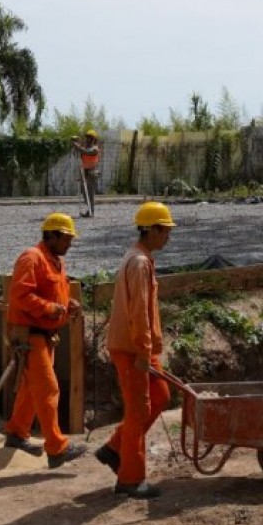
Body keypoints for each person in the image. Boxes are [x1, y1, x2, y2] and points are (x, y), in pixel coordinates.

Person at [94, 201, 175, 499]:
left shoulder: (140, 257)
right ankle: (130, 478)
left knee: (161, 395)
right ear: (151, 230)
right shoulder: (139, 263)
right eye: (165, 231)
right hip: (132, 348)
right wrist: (143, 352)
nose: (168, 237)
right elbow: (139, 312)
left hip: (139, 345)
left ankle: (115, 448)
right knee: (138, 411)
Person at [3, 212, 88, 468]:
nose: (69, 244)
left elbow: (52, 292)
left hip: (43, 335)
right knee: (48, 389)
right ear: (51, 236)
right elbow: (20, 296)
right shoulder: (32, 258)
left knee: (32, 387)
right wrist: (50, 309)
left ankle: (17, 433)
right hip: (29, 334)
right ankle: (56, 448)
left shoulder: (54, 262)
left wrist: (66, 304)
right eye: (66, 239)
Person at [71, 130, 100, 217]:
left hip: (91, 173)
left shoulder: (95, 149)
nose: (87, 139)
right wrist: (75, 145)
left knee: (90, 193)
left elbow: (86, 152)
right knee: (84, 192)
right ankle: (89, 209)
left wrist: (77, 146)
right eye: (87, 137)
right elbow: (79, 152)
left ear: (93, 139)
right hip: (84, 172)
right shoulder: (85, 148)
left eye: (89, 137)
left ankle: (92, 212)